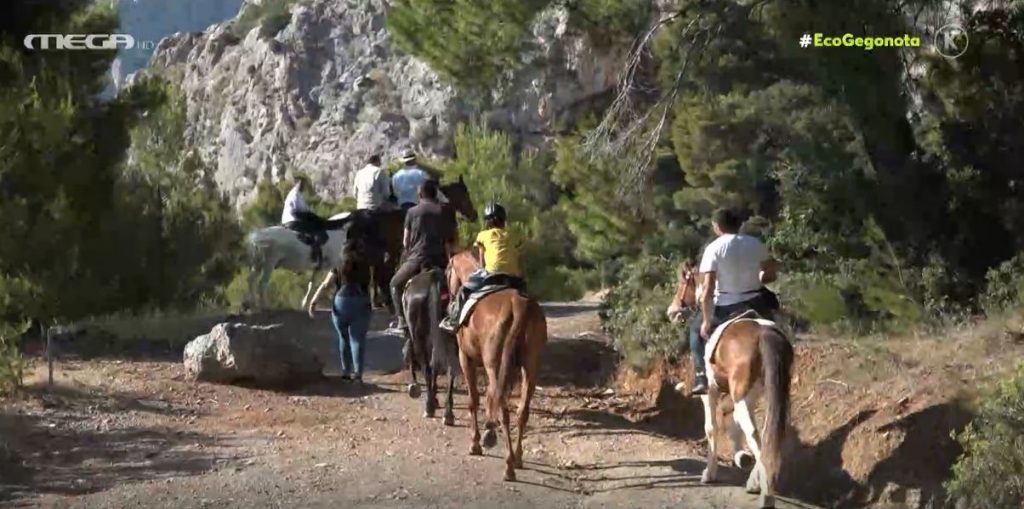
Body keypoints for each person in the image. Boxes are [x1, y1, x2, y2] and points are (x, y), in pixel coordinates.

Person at [690, 208, 779, 395]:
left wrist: (706, 321)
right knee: (776, 332)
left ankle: (701, 377)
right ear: (739, 225)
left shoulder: (713, 248)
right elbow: (771, 274)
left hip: (725, 306)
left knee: (695, 332)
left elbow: (708, 289)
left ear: (716, 226)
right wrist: (757, 280)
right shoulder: (755, 244)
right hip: (756, 302)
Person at [440, 202, 524, 332]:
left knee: (464, 291)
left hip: (492, 274)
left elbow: (481, 259)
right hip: (512, 275)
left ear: (487, 222)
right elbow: (516, 253)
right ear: (503, 220)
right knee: (524, 292)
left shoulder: (482, 235)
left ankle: (453, 319)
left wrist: (482, 269)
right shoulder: (511, 235)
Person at [387, 180, 457, 333]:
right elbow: (451, 240)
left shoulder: (412, 212)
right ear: (434, 194)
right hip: (440, 260)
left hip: (417, 259)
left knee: (394, 284)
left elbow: (406, 241)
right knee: (459, 287)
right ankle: (455, 316)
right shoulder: (443, 211)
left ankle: (401, 322)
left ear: (420, 195)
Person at [308, 239, 373, 383]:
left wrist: (314, 301)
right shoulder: (365, 265)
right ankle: (358, 374)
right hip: (360, 301)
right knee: (357, 339)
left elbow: (326, 285)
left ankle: (345, 372)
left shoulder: (338, 265)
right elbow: (369, 286)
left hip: (341, 302)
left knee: (343, 338)